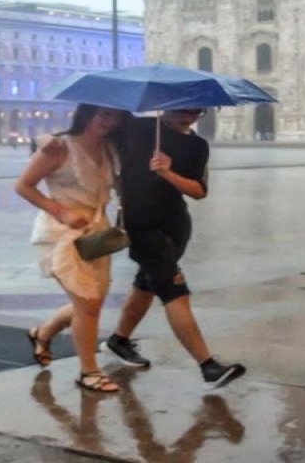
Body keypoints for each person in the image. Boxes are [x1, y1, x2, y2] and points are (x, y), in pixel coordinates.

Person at [40, 109, 246, 389]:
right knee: (174, 291)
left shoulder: (198, 145)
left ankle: (116, 341)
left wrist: (167, 173)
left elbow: (198, 190)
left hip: (176, 225)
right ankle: (207, 365)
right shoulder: (136, 128)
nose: (190, 115)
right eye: (183, 109)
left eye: (197, 110)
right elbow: (88, 136)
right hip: (141, 227)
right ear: (169, 104)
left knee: (147, 284)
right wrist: (49, 141)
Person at [16, 104, 128, 393]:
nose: (109, 120)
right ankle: (89, 371)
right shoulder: (59, 147)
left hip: (97, 232)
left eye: (115, 116)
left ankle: (43, 333)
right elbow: (24, 186)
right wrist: (60, 211)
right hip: (62, 232)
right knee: (88, 303)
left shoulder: (110, 148)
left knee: (92, 301)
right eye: (103, 114)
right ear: (87, 114)